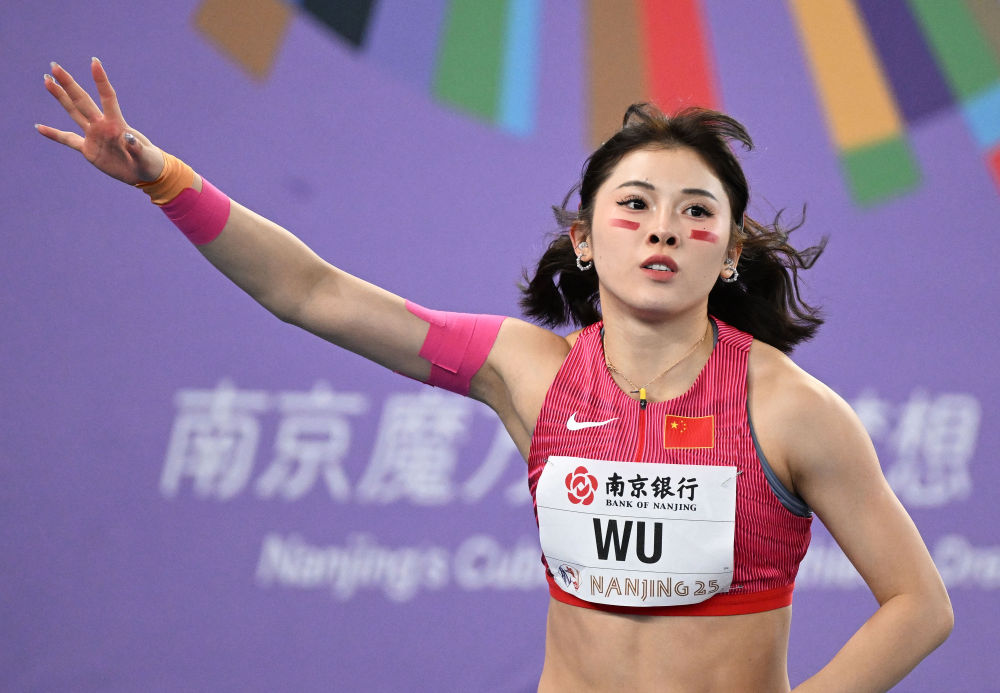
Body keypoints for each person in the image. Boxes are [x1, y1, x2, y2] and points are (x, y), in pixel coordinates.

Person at [38, 58, 952, 692]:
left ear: (732, 253)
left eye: (695, 212)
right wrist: (165, 178)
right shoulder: (528, 371)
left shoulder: (789, 408)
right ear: (584, 241)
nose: (663, 229)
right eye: (635, 205)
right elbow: (311, 293)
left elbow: (919, 603)